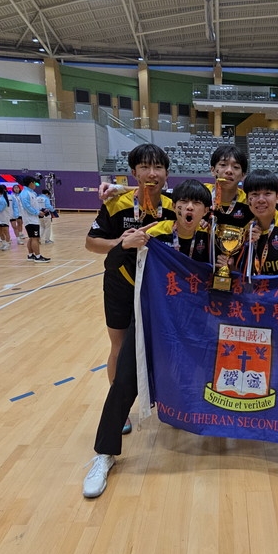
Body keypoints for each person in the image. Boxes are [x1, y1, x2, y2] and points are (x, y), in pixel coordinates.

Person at [82, 179, 213, 498]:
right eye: (183, 202)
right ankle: (104, 454)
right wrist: (124, 244)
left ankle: (217, 431)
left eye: (196, 203)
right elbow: (112, 263)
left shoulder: (213, 240)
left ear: (206, 211)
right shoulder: (155, 234)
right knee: (124, 382)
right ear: (174, 206)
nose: (189, 207)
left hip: (194, 326)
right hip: (151, 320)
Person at [85, 144, 174, 402]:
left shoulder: (176, 205)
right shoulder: (116, 205)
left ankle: (163, 399)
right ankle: (118, 409)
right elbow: (91, 243)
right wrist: (120, 242)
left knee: (161, 344)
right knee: (120, 346)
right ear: (134, 173)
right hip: (120, 285)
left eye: (158, 167)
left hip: (159, 288)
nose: (152, 173)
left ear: (167, 173)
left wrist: (117, 186)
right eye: (144, 167)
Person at [20, 176, 50, 262]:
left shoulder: (32, 193)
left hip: (33, 219)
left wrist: (41, 210)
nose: (35, 185)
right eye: (34, 183)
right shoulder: (25, 193)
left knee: (32, 237)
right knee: (35, 238)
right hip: (30, 220)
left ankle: (31, 255)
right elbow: (27, 207)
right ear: (31, 183)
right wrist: (37, 212)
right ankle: (38, 256)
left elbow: (33, 205)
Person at [0, 185, 12, 251]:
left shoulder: (2, 199)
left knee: (6, 231)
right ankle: (3, 243)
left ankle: (7, 244)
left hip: (4, 218)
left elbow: (0, 209)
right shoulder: (0, 198)